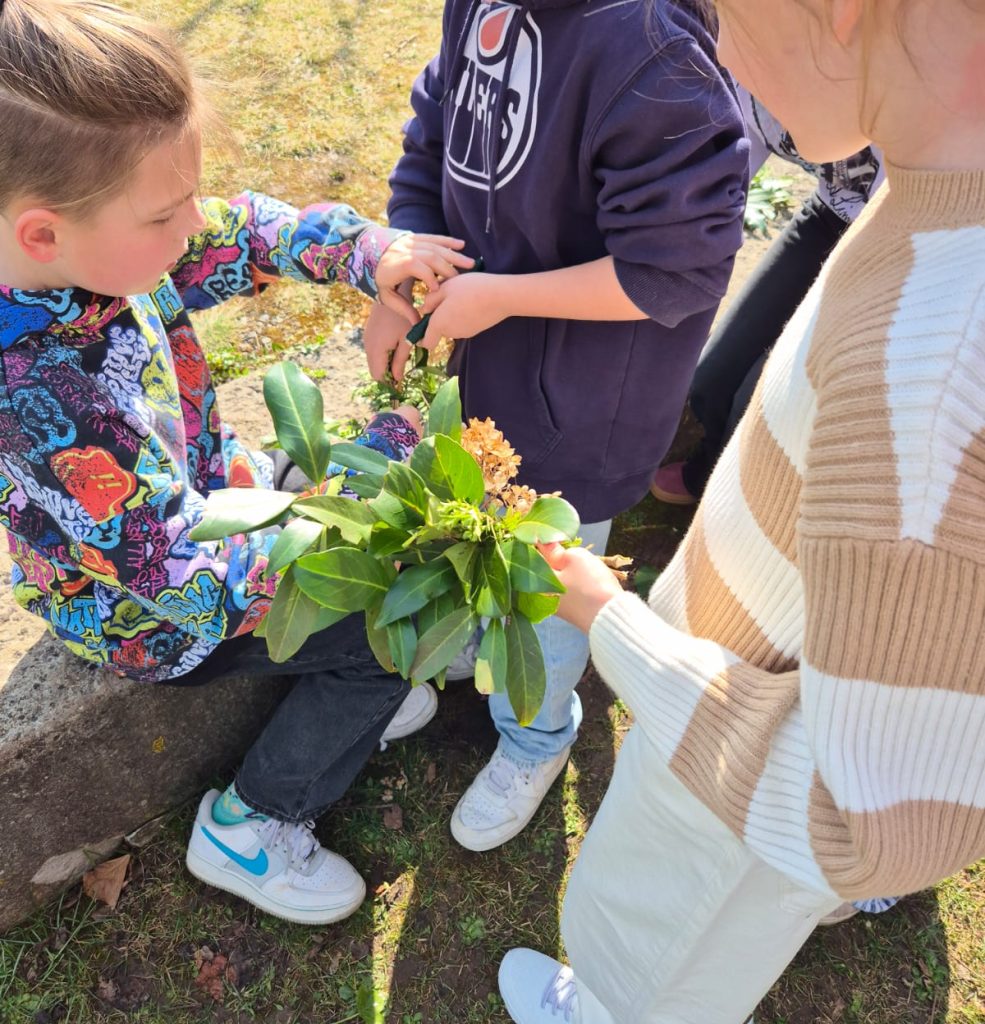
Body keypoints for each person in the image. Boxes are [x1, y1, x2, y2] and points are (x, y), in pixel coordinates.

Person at [497, 0, 985, 1020]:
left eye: (715, 6)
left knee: (645, 961)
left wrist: (606, 620)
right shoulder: (934, 192)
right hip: (733, 718)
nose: (715, 44)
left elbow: (857, 819)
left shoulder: (935, 367)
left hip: (727, 817)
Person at [0, 0, 472, 925]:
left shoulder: (90, 258)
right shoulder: (37, 400)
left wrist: (364, 252)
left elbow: (241, 232)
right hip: (154, 616)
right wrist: (366, 483)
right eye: (165, 214)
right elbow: (184, 579)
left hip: (202, 496)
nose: (191, 232)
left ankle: (342, 697)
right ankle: (254, 823)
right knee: (397, 636)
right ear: (43, 232)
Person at [364, 0, 748, 852]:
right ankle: (485, 646)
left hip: (586, 403)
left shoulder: (652, 52)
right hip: (483, 368)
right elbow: (435, 129)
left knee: (547, 582)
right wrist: (403, 268)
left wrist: (501, 297)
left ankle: (534, 731)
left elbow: (674, 270)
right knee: (478, 527)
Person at [651, 85, 886, 505]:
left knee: (761, 394)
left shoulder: (880, 83)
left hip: (892, 236)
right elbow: (727, 188)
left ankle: (745, 506)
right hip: (830, 212)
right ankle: (711, 470)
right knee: (712, 375)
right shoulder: (746, 76)